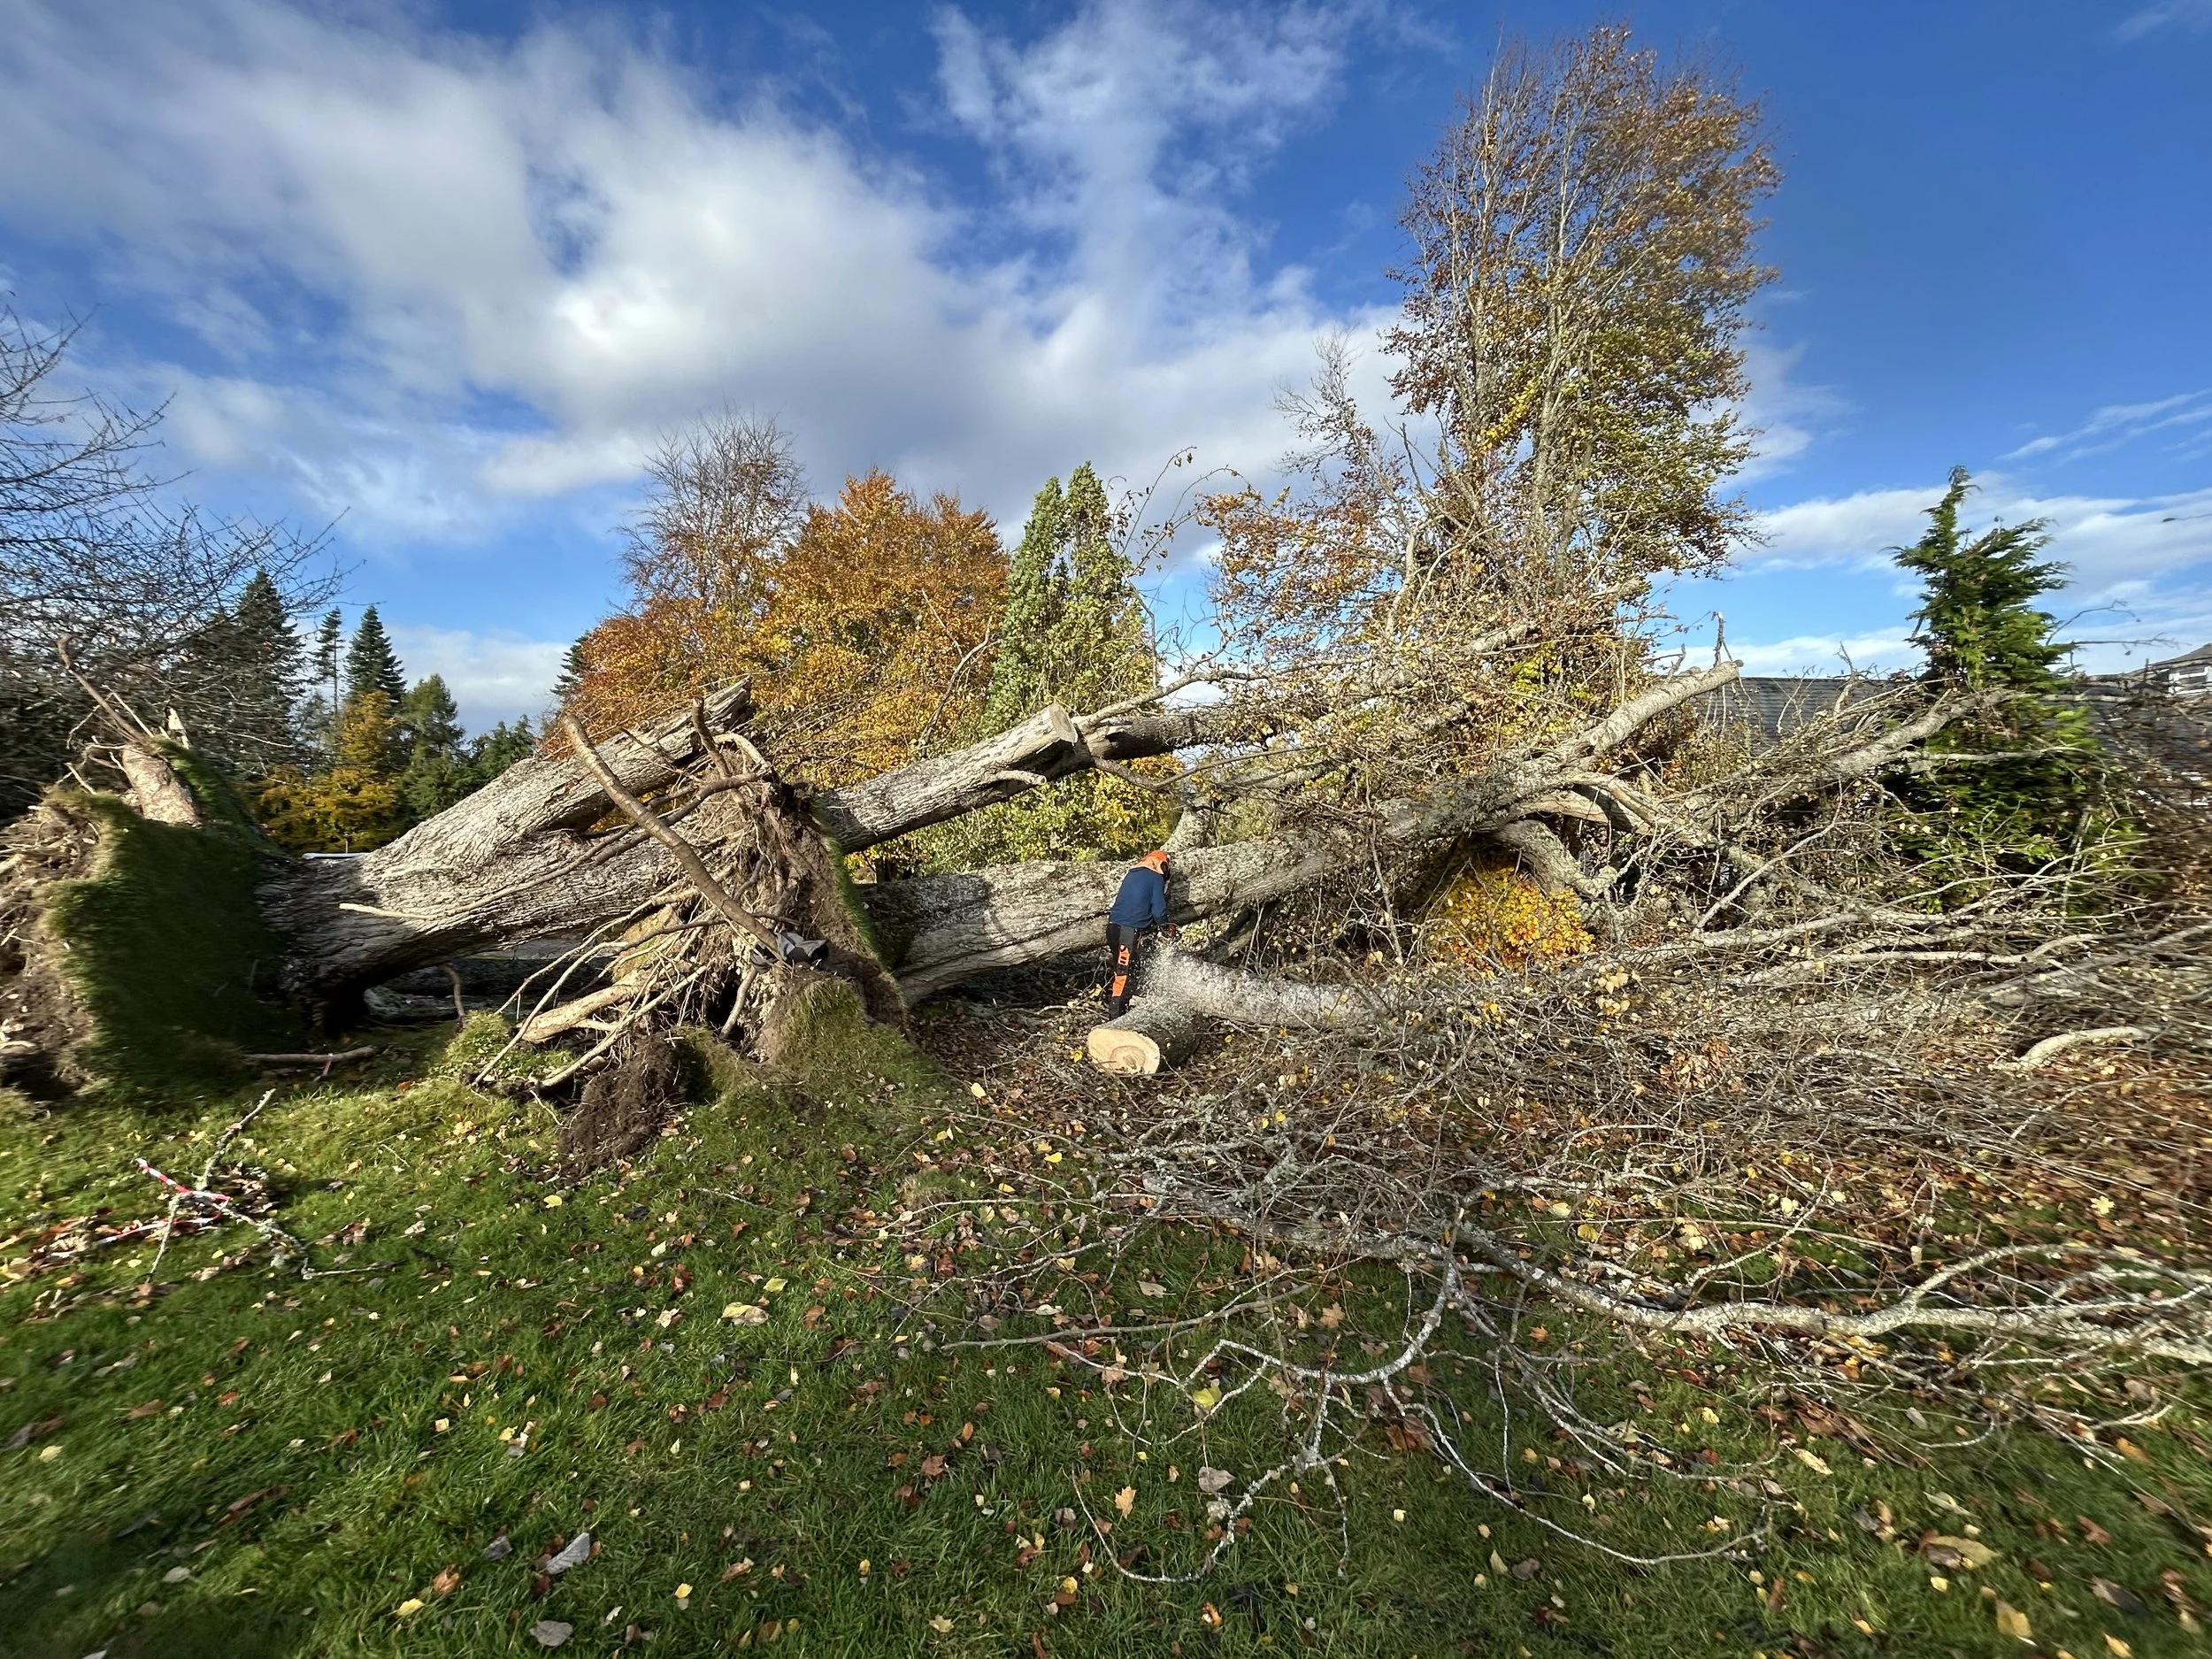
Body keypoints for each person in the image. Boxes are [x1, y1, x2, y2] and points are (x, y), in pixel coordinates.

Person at [1103, 849, 1171, 1017]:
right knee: (1124, 977)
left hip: (1113, 928)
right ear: (1161, 865)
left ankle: (1122, 1011)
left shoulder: (1132, 874)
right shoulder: (1155, 878)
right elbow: (1159, 910)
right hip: (1127, 932)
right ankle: (1116, 1020)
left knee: (1125, 971)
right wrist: (1165, 926)